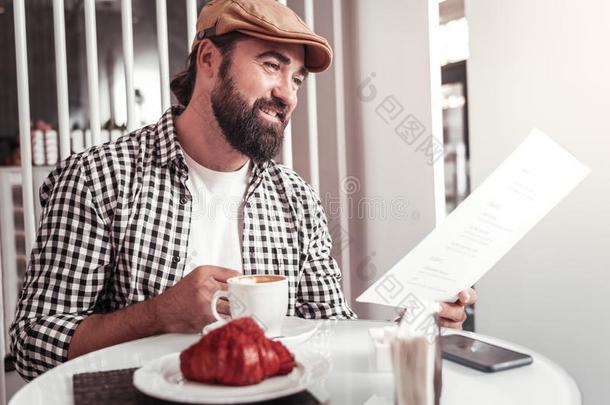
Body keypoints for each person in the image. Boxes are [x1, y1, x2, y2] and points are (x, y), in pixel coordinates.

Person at [10, 0, 475, 380]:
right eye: (272, 65)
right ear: (209, 60)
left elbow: (330, 334)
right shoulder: (98, 178)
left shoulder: (295, 198)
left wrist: (413, 325)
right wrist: (158, 315)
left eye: (296, 79)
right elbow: (33, 344)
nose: (288, 94)